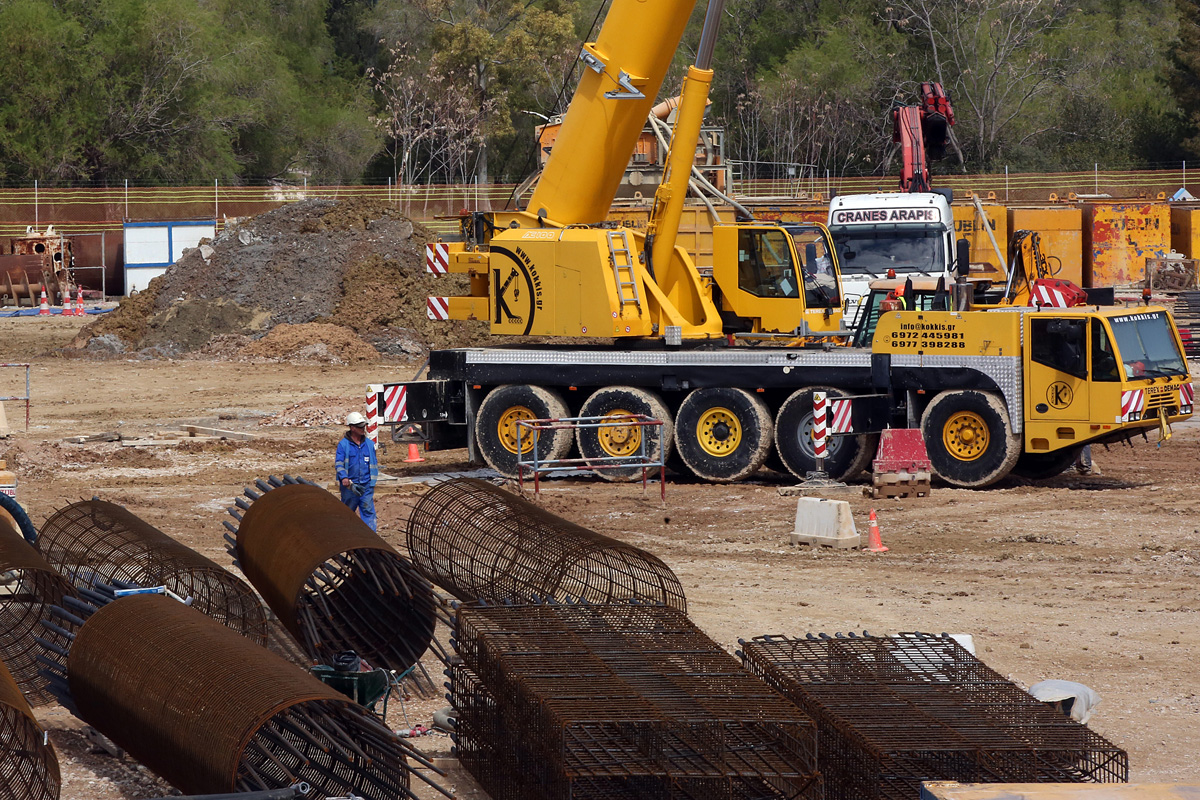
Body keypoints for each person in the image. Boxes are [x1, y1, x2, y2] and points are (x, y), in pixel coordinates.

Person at [336, 411, 378, 531]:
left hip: (366, 486)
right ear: (352, 428)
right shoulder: (344, 445)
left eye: (363, 426)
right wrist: (344, 477)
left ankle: (370, 540)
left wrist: (371, 483)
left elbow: (373, 463)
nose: (363, 429)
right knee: (347, 513)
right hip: (350, 486)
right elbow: (339, 463)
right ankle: (348, 538)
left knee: (368, 512)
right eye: (360, 427)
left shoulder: (369, 444)